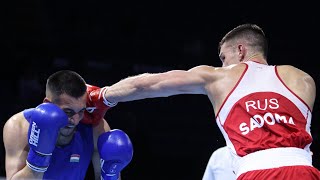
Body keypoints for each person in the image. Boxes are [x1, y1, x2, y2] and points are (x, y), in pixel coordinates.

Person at [98, 23, 320, 179]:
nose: (223, 65)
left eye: (224, 58)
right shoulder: (302, 78)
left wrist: (102, 95)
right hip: (304, 171)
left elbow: (149, 84)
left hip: (256, 172)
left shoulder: (220, 76)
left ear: (241, 50)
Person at [3, 70, 133, 180]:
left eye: (81, 111)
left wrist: (111, 174)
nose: (75, 120)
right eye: (68, 112)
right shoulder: (19, 126)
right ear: (48, 104)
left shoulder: (95, 128)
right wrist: (38, 160)